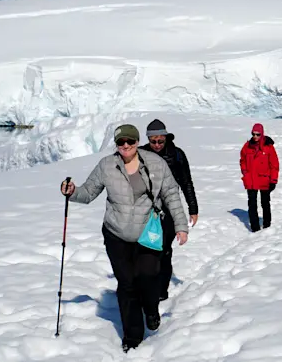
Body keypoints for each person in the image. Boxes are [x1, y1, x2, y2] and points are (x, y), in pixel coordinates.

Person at [59, 124, 189, 353]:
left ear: (137, 142)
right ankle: (132, 336)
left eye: (130, 141)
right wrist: (72, 191)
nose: (125, 146)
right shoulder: (107, 165)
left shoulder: (155, 164)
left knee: (148, 276)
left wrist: (181, 225)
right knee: (127, 284)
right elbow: (88, 193)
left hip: (146, 234)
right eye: (121, 142)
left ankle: (151, 309)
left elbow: (171, 194)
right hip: (116, 234)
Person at [138, 119, 198, 303]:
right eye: (153, 141)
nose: (156, 145)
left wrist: (192, 208)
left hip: (170, 210)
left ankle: (161, 290)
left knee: (164, 250)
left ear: (165, 137)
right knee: (147, 250)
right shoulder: (140, 154)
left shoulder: (177, 155)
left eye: (160, 141)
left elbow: (186, 182)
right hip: (146, 210)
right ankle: (148, 285)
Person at [240, 123, 279, 232]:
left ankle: (267, 226)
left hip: (264, 180)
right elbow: (242, 160)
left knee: (265, 203)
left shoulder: (268, 147)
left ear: (262, 134)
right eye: (253, 134)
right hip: (251, 180)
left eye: (258, 134)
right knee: (252, 204)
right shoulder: (247, 146)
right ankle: (255, 228)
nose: (255, 136)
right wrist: (245, 172)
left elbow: (274, 165)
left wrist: (273, 180)